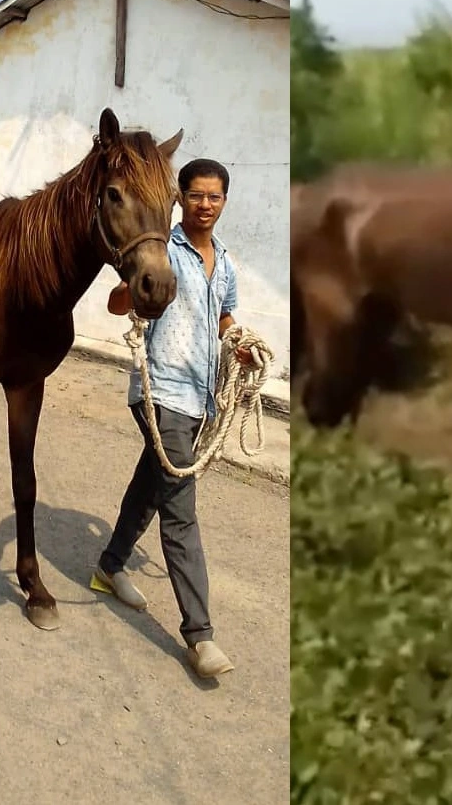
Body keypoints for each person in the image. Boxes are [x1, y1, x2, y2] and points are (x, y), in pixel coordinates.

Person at [92, 157, 255, 680]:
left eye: (215, 196)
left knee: (152, 485)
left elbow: (223, 313)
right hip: (160, 390)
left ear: (224, 202)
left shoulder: (223, 261)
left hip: (201, 397)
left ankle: (109, 567)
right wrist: (132, 295)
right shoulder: (164, 252)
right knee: (180, 510)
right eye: (196, 195)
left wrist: (238, 340)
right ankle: (200, 635)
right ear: (179, 198)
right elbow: (122, 303)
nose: (205, 205)